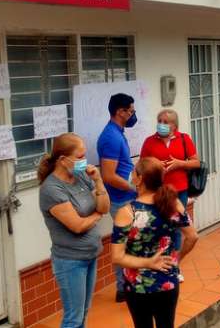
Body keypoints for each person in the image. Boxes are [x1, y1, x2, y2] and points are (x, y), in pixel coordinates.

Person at [111, 157, 198, 328]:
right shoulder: (173, 204)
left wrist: (148, 263)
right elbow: (193, 236)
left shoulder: (127, 212)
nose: (131, 175)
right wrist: (176, 260)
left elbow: (117, 257)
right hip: (167, 280)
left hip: (138, 286)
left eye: (133, 171)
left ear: (140, 178)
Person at [38, 133, 110, 328]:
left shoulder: (80, 176)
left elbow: (104, 207)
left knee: (83, 313)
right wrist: (96, 216)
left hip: (90, 255)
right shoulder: (51, 189)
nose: (84, 161)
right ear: (63, 160)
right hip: (70, 261)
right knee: (73, 318)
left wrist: (98, 181)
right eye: (79, 157)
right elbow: (77, 226)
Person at [139, 109, 201, 267]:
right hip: (158, 191)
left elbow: (196, 162)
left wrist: (180, 163)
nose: (161, 124)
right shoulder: (149, 141)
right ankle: (159, 260)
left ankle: (175, 264)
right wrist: (155, 164)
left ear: (174, 125)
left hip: (179, 190)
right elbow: (142, 166)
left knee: (177, 228)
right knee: (161, 227)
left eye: (165, 122)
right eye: (159, 121)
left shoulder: (184, 139)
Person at [98, 93, 138, 302]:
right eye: (130, 111)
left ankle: (125, 286)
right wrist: (133, 188)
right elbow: (108, 175)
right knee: (126, 243)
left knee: (127, 241)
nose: (132, 115)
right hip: (120, 199)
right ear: (120, 112)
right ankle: (124, 287)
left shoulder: (118, 132)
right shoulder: (111, 137)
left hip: (125, 197)